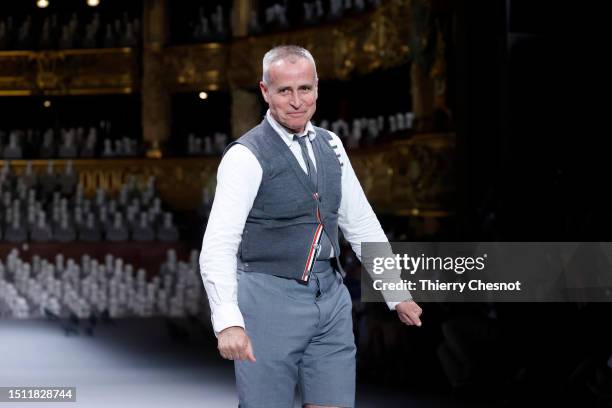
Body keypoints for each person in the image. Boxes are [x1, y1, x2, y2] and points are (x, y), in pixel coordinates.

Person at [199, 45, 423, 408]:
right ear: (265, 91)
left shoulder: (331, 144)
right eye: (284, 90)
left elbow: (360, 221)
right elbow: (220, 244)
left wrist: (395, 291)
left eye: (305, 88)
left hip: (330, 297)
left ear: (317, 88)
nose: (296, 100)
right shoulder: (245, 156)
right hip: (268, 299)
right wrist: (227, 320)